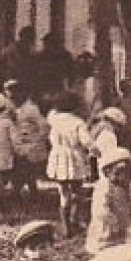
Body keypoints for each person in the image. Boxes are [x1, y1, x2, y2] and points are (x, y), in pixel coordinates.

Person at [44, 91, 92, 237]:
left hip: (58, 157)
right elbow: (86, 141)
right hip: (74, 157)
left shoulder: (53, 119)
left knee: (63, 193)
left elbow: (48, 120)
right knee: (77, 191)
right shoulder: (78, 123)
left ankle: (66, 227)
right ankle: (74, 221)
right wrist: (95, 149)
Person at [85, 146, 131, 256]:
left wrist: (130, 213)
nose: (121, 177)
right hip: (106, 225)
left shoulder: (126, 186)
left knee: (121, 246)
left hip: (122, 221)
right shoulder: (104, 186)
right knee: (105, 245)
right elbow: (100, 209)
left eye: (124, 173)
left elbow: (129, 201)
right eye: (117, 173)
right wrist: (112, 221)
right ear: (107, 172)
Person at [6, 79, 49, 202]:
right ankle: (19, 194)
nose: (13, 99)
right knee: (19, 172)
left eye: (15, 96)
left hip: (30, 145)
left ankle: (29, 195)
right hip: (16, 144)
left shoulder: (31, 109)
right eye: (10, 97)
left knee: (27, 172)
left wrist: (36, 143)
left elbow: (44, 127)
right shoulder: (11, 108)